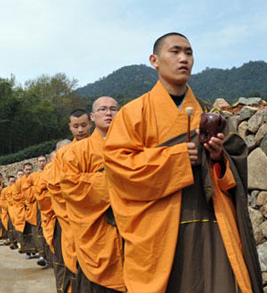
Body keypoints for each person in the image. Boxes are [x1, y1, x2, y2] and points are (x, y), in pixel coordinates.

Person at [104, 32, 262, 293]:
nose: (183, 59)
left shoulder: (210, 112)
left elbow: (236, 164)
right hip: (159, 226)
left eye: (188, 53)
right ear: (154, 60)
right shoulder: (133, 113)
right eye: (175, 52)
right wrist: (175, 159)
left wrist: (217, 157)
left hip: (211, 219)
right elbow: (118, 168)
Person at [61, 97, 124, 292]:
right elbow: (69, 186)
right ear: (93, 116)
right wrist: (115, 180)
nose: (109, 113)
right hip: (95, 226)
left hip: (130, 224)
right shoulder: (76, 152)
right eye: (103, 109)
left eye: (113, 109)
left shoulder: (133, 144)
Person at [48, 109, 92, 293]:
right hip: (72, 214)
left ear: (91, 123)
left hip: (101, 213)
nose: (80, 130)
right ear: (70, 127)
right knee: (76, 258)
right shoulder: (63, 154)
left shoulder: (105, 145)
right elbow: (55, 186)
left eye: (83, 125)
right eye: (76, 126)